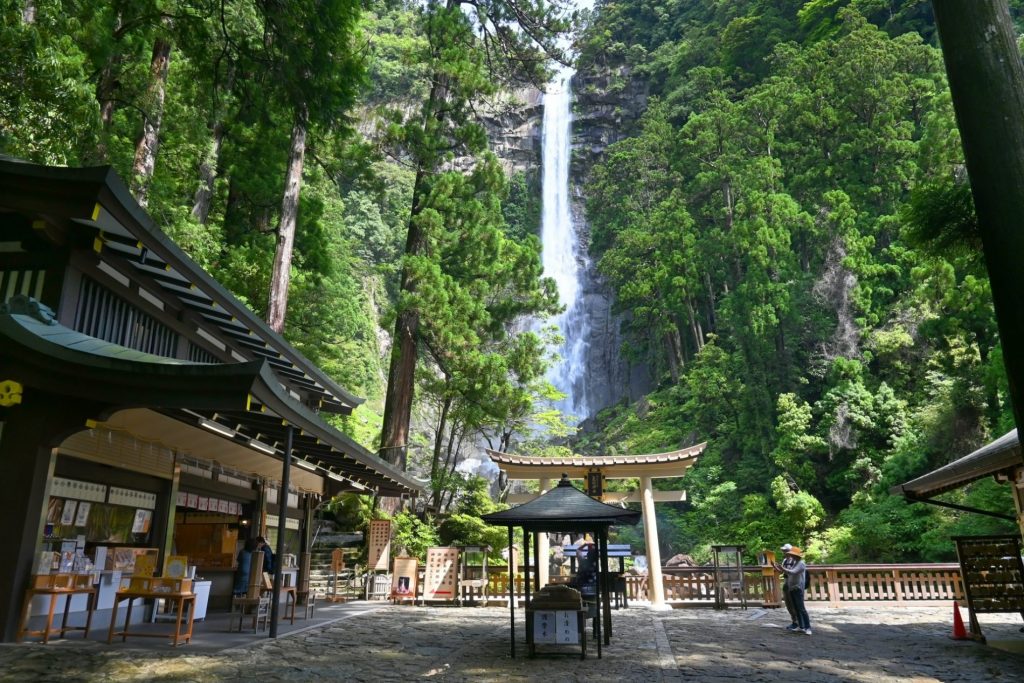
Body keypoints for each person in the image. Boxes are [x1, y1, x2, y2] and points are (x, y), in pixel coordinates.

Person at [774, 546, 811, 635]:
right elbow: (787, 572)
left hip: (798, 588)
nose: (790, 555)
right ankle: (801, 626)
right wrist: (777, 567)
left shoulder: (801, 563)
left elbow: (793, 572)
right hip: (791, 587)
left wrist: (782, 568)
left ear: (796, 555)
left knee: (801, 608)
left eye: (792, 554)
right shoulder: (795, 562)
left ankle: (808, 627)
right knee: (796, 608)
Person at [778, 543, 799, 631]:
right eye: (783, 551)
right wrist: (775, 567)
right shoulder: (784, 560)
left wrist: (783, 569)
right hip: (786, 582)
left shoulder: (795, 561)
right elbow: (781, 572)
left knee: (794, 603)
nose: (784, 552)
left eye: (785, 551)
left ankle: (798, 622)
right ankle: (794, 621)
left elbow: (793, 572)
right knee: (788, 603)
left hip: (793, 583)